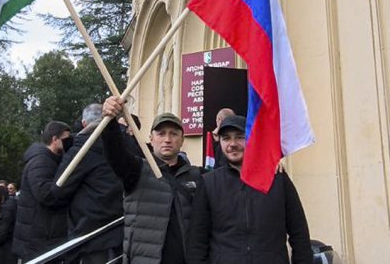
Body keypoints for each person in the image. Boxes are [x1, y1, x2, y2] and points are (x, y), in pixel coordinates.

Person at [186, 115, 312, 264]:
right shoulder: (209, 183)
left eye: (240, 137)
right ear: (219, 142)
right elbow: (197, 241)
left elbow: (299, 232)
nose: (232, 144)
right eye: (226, 138)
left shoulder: (277, 178)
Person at [102, 96, 205, 264]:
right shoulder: (136, 169)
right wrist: (110, 120)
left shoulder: (197, 176)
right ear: (151, 138)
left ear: (182, 140)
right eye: (161, 133)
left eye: (173, 134)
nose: (167, 139)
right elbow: (114, 152)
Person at [54, 103, 124, 264]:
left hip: (90, 234)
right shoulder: (124, 143)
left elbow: (58, 190)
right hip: (119, 233)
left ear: (84, 124)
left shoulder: (82, 149)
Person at [13, 121, 71, 261]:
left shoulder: (48, 160)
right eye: (66, 139)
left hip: (40, 235)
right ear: (55, 139)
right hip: (39, 237)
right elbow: (45, 194)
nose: (69, 143)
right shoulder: (41, 161)